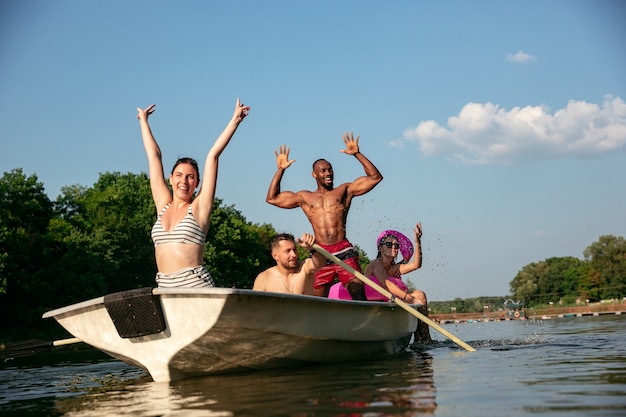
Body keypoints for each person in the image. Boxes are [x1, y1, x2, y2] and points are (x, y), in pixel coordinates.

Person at [137, 98, 250, 287]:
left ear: (197, 183)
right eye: (179, 175)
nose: (184, 181)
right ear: (171, 178)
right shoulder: (163, 206)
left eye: (190, 177)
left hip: (196, 288)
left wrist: (235, 121)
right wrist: (143, 121)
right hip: (165, 289)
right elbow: (154, 156)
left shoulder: (199, 208)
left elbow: (213, 156)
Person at [266, 132, 383, 299]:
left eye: (330, 169)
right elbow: (272, 198)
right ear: (315, 175)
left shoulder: (343, 190)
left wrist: (357, 154)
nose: (328, 173)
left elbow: (375, 177)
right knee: (315, 300)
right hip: (321, 253)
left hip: (343, 250)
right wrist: (280, 170)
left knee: (359, 296)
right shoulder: (305, 197)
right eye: (323, 171)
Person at [363, 223, 432, 342]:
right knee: (415, 297)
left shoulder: (394, 268)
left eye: (396, 245)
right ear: (380, 248)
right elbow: (386, 284)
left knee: (420, 294)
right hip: (373, 301)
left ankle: (424, 340)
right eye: (389, 244)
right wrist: (409, 298)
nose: (393, 247)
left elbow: (416, 265)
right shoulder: (376, 264)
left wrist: (417, 242)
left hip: (391, 299)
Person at [252, 233, 325, 295]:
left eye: (294, 250)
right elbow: (254, 307)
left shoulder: (305, 268)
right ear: (275, 256)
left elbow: (320, 264)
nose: (293, 255)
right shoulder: (264, 278)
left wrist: (312, 249)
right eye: (288, 251)